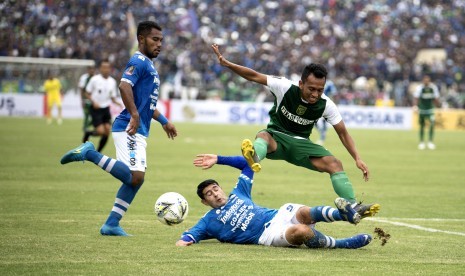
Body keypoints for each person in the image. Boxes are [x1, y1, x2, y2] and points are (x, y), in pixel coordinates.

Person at [211, 44, 379, 214]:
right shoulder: (284, 87)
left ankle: (352, 207)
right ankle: (255, 157)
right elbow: (254, 76)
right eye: (311, 89)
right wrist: (228, 64)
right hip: (275, 137)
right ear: (301, 84)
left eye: (320, 90)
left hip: (300, 145)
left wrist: (357, 158)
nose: (315, 94)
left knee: (335, 164)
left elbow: (343, 132)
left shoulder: (326, 105)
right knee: (263, 135)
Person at [60, 21, 177, 236]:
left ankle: (112, 224)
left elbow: (147, 105)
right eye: (155, 39)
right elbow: (124, 86)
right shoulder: (138, 60)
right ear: (141, 39)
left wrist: (164, 121)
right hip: (128, 127)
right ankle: (90, 153)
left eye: (161, 40)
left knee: (137, 180)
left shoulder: (149, 65)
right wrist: (134, 114)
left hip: (139, 128)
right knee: (135, 177)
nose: (159, 44)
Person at [176, 154, 373, 249]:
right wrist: (181, 241)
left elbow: (247, 163)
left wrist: (218, 159)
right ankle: (341, 243)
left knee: (304, 212)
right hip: (268, 234)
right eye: (209, 194)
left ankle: (346, 213)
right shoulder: (207, 221)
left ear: (221, 188)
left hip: (278, 214)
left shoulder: (239, 192)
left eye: (216, 189)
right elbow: (185, 239)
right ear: (204, 202)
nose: (216, 194)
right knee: (302, 231)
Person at [82, 60, 122, 152]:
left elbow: (112, 97)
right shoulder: (95, 79)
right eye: (104, 67)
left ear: (110, 69)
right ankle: (88, 133)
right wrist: (93, 102)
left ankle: (98, 152)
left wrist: (118, 103)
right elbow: (87, 93)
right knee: (100, 131)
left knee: (107, 131)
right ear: (100, 68)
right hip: (95, 108)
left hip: (106, 108)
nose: (106, 69)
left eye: (107, 67)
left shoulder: (112, 81)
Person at [413, 75, 440, 150]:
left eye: (427, 80)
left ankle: (430, 141)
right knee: (422, 125)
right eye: (425, 80)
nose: (426, 81)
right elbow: (416, 98)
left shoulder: (433, 88)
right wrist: (415, 106)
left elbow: (436, 98)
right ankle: (421, 142)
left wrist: (439, 106)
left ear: (429, 80)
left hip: (430, 109)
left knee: (432, 124)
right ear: (423, 80)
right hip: (422, 109)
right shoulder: (420, 88)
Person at [316, 79, 337, 145]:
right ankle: (323, 133)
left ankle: (322, 137)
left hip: (324, 104)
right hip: (316, 103)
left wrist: (333, 103)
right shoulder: (318, 81)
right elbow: (334, 93)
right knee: (316, 121)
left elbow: (334, 93)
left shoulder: (329, 83)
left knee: (321, 120)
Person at [78, 65, 96, 133]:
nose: (92, 71)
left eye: (93, 69)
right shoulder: (84, 78)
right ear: (88, 70)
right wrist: (82, 100)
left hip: (94, 100)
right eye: (90, 69)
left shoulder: (96, 78)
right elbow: (82, 90)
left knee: (95, 115)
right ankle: (85, 128)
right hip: (86, 100)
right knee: (86, 115)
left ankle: (87, 126)